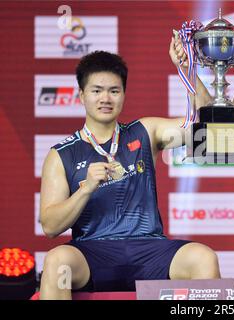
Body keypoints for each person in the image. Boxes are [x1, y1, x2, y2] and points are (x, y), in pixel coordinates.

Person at [39, 44, 219, 299]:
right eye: (97, 91)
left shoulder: (145, 131)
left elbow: (207, 124)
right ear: (81, 95)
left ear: (123, 95)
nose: (106, 98)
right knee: (59, 263)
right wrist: (85, 189)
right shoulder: (61, 154)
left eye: (114, 91)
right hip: (93, 255)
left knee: (203, 257)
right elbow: (50, 226)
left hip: (150, 251)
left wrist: (186, 68)